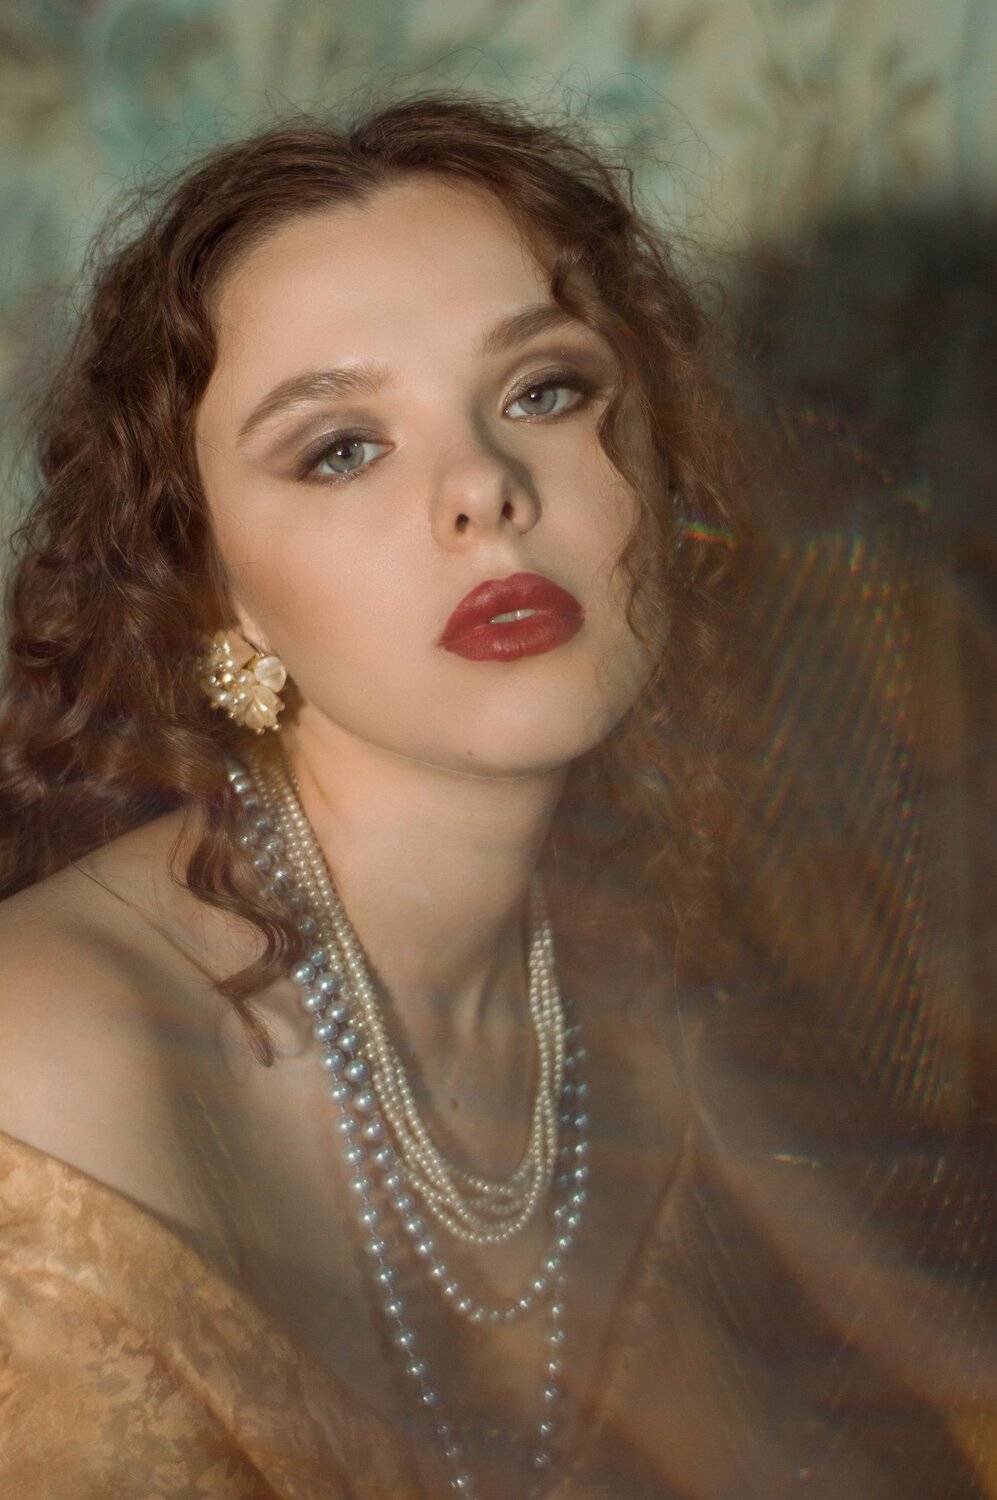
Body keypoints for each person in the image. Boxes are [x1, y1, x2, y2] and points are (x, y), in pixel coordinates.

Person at [0, 92, 991, 1499]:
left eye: (544, 391)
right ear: (216, 593)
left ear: (661, 464)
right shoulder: (46, 1067)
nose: (482, 488)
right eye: (341, 447)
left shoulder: (620, 981)